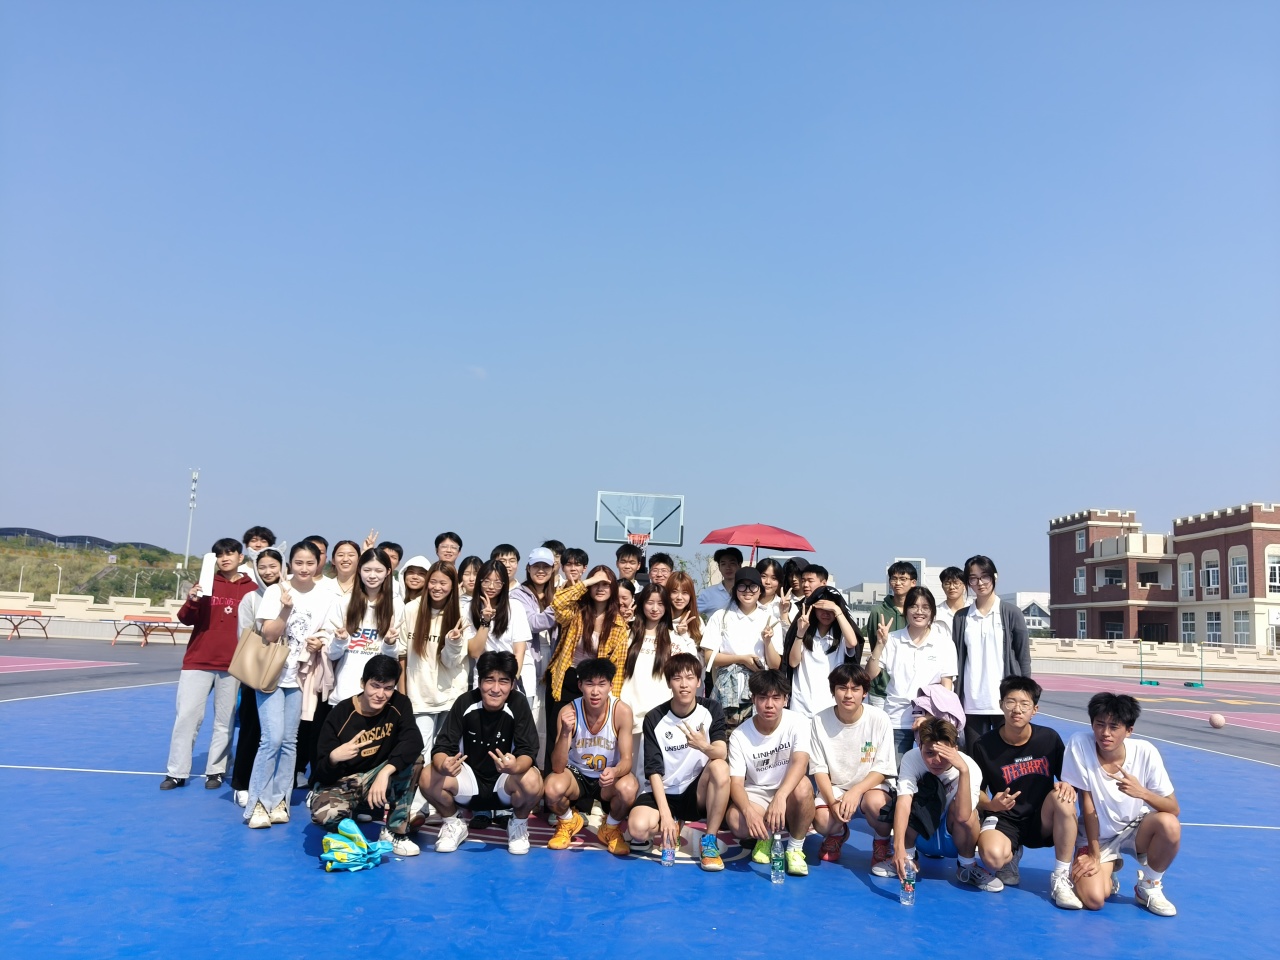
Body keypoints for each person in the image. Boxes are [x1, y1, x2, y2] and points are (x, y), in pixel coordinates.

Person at [1061, 693, 1181, 916]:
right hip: (1098, 837)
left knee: (1169, 824)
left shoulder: (1146, 752)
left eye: (1114, 727)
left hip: (1135, 828)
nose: (1105, 733)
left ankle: (1149, 886)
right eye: (1099, 724)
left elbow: (1173, 808)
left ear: (1129, 730)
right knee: (1094, 899)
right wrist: (1094, 855)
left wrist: (1142, 792)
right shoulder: (1080, 744)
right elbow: (1088, 804)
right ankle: (1108, 870)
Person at [970, 677, 1081, 909]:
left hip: (1042, 818)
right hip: (1006, 817)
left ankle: (1060, 876)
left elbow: (1069, 779)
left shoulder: (1048, 739)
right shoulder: (984, 745)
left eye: (1024, 704)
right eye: (1010, 702)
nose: (1017, 709)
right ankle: (1011, 854)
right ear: (1001, 705)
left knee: (1064, 799)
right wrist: (991, 805)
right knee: (992, 857)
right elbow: (975, 791)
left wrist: (1068, 785)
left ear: (1035, 710)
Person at [246, 541, 335, 827]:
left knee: (288, 742)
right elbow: (269, 634)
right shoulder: (276, 591)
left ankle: (280, 802)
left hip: (301, 677)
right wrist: (285, 610)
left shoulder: (326, 595)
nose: (304, 568)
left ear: (318, 563)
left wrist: (321, 640)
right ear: (290, 565)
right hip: (272, 674)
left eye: (310, 563)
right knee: (271, 739)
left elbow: (329, 629)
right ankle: (258, 805)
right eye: (299, 563)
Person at [161, 537, 259, 791]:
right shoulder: (205, 583)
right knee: (186, 717)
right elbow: (185, 618)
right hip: (198, 661)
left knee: (225, 721)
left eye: (230, 553)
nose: (225, 558)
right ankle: (176, 772)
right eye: (219, 555)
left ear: (240, 557)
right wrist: (192, 600)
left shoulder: (252, 588)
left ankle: (216, 770)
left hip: (233, 665)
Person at [426, 651, 544, 855]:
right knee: (428, 775)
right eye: (489, 680)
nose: (496, 689)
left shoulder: (518, 703)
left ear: (512, 685)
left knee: (533, 779)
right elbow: (442, 747)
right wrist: (443, 764)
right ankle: (454, 823)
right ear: (479, 682)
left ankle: (518, 825)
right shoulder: (465, 702)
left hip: (504, 785)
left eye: (503, 681)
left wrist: (514, 766)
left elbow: (528, 750)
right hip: (468, 783)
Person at [309, 654, 423, 856]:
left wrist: (385, 772)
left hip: (375, 776)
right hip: (342, 782)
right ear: (363, 683)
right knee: (325, 814)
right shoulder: (340, 714)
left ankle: (394, 832)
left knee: (414, 760)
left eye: (388, 688)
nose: (381, 694)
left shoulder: (400, 704)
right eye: (375, 686)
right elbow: (319, 772)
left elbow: (414, 741)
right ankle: (353, 815)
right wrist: (334, 757)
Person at [627, 653, 730, 871]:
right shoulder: (654, 718)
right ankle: (673, 820)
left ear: (699, 682)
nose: (684, 684)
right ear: (668, 683)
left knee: (720, 767)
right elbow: (653, 771)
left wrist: (703, 746)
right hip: (664, 791)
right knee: (637, 829)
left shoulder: (711, 709)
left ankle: (709, 841)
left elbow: (721, 752)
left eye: (690, 678)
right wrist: (665, 815)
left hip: (695, 792)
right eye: (677, 678)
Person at [881, 716, 997, 891]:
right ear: (920, 746)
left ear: (955, 749)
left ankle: (966, 866)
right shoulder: (911, 758)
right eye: (929, 753)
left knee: (969, 814)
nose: (936, 760)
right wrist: (898, 849)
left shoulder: (970, 767)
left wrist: (963, 771)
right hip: (922, 834)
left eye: (944, 754)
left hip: (953, 837)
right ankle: (907, 859)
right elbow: (904, 804)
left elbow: (963, 816)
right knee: (904, 800)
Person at [544, 658, 638, 855]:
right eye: (589, 684)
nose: (595, 691)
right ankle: (568, 821)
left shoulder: (621, 712)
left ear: (611, 686)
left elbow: (627, 761)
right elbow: (557, 767)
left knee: (629, 787)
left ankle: (611, 828)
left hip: (607, 777)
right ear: (580, 685)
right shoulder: (568, 711)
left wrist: (615, 771)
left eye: (601, 684)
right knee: (551, 787)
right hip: (576, 775)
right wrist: (565, 733)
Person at [726, 669, 814, 876]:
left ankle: (794, 848)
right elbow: (736, 783)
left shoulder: (799, 722)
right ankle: (764, 838)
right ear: (753, 699)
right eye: (763, 698)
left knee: (804, 787)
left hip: (788, 790)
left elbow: (800, 763)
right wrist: (748, 812)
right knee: (735, 820)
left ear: (785, 700)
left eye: (776, 698)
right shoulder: (739, 735)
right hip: (757, 793)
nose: (769, 704)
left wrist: (781, 796)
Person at [809, 664, 897, 870]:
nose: (848, 695)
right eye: (842, 688)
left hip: (870, 787)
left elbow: (883, 768)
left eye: (855, 689)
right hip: (837, 787)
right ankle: (837, 833)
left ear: (864, 693)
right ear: (833, 691)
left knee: (879, 805)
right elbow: (819, 769)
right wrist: (832, 803)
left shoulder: (880, 719)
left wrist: (856, 791)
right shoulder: (819, 720)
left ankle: (882, 841)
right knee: (822, 820)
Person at [545, 565, 630, 769]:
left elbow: (617, 669)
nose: (600, 588)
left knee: (588, 738)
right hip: (566, 679)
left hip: (595, 685)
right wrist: (585, 583)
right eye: (596, 584)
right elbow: (557, 603)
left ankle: (586, 783)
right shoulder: (576, 611)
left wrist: (611, 701)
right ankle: (552, 780)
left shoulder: (618, 625)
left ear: (613, 589)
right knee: (558, 735)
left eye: (605, 584)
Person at [867, 586, 957, 759]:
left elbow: (947, 686)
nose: (919, 612)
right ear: (905, 610)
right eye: (914, 606)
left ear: (932, 612)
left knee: (931, 770)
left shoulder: (944, 643)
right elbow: (870, 675)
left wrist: (932, 718)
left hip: (932, 721)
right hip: (896, 720)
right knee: (895, 770)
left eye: (925, 607)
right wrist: (879, 644)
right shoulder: (892, 639)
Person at [951, 555, 1032, 747]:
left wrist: (1026, 694)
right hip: (972, 701)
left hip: (1006, 701)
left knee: (1006, 754)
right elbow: (956, 658)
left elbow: (1023, 657)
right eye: (973, 578)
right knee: (975, 754)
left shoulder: (1011, 613)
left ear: (995, 576)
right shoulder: (961, 617)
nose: (980, 583)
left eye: (984, 576)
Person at [621, 584, 698, 777]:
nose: (655, 608)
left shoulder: (674, 639)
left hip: (660, 717)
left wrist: (685, 636)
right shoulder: (626, 634)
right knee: (629, 772)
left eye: (661, 604)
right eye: (650, 603)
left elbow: (693, 667)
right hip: (629, 713)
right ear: (641, 604)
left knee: (653, 771)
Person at [397, 560, 468, 753]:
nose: (437, 587)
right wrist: (402, 695)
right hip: (418, 695)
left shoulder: (461, 614)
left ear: (453, 586)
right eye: (433, 582)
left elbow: (451, 662)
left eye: (443, 583)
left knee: (444, 750)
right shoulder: (411, 609)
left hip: (451, 695)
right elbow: (402, 654)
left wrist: (453, 642)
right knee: (420, 750)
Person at [231, 548, 283, 806]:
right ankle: (241, 783)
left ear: (282, 567)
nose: (268, 571)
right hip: (258, 670)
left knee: (278, 734)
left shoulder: (290, 594)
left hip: (286, 672)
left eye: (273, 566)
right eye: (262, 567)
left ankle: (271, 783)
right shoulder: (251, 599)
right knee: (251, 729)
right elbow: (244, 635)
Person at [323, 547, 404, 707]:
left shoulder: (396, 605)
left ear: (388, 572)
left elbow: (394, 657)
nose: (372, 575)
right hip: (344, 694)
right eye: (367, 570)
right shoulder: (344, 603)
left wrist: (389, 643)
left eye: (378, 571)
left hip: (379, 697)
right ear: (359, 570)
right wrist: (340, 640)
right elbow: (332, 655)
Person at [770, 586, 862, 718]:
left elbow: (853, 642)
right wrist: (800, 633)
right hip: (802, 704)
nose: (826, 614)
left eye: (830, 610)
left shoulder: (842, 636)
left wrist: (837, 609)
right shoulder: (804, 632)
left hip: (830, 704)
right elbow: (793, 662)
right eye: (821, 609)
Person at [701, 567, 772, 731]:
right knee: (724, 734)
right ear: (735, 590)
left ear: (760, 590)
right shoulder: (720, 616)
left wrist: (768, 642)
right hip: (726, 688)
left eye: (753, 586)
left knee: (757, 735)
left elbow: (775, 664)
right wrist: (741, 659)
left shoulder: (768, 618)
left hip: (758, 687)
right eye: (742, 586)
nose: (747, 591)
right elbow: (709, 657)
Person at [510, 547, 560, 763]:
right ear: (528, 568)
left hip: (552, 663)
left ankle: (541, 769)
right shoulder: (517, 595)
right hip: (529, 662)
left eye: (545, 567)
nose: (541, 570)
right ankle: (524, 764)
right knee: (529, 715)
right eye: (536, 566)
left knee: (546, 722)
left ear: (553, 569)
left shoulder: (556, 594)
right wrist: (560, 605)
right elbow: (533, 623)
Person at [463, 560, 533, 697]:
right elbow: (475, 652)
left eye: (497, 582)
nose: (491, 586)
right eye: (486, 581)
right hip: (484, 681)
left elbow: (519, 651)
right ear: (479, 582)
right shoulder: (468, 609)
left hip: (510, 680)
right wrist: (485, 621)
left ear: (504, 584)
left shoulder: (515, 607)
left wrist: (511, 681)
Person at [697, 548, 742, 615]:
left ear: (739, 565)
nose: (728, 567)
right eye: (723, 564)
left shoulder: (747, 592)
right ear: (719, 567)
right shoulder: (708, 593)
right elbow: (691, 612)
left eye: (732, 563)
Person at [666, 570, 703, 649]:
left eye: (685, 592)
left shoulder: (697, 621)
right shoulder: (659, 619)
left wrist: (684, 635)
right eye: (674, 592)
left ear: (691, 595)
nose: (679, 597)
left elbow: (701, 654)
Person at [756, 558, 792, 637]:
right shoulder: (746, 604)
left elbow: (791, 640)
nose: (768, 582)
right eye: (763, 576)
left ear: (779, 582)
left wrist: (784, 615)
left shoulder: (789, 607)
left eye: (774, 578)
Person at [933, 566, 968, 635]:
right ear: (942, 586)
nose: (952, 587)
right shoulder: (935, 613)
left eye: (956, 583)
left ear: (964, 586)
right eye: (947, 583)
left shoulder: (972, 610)